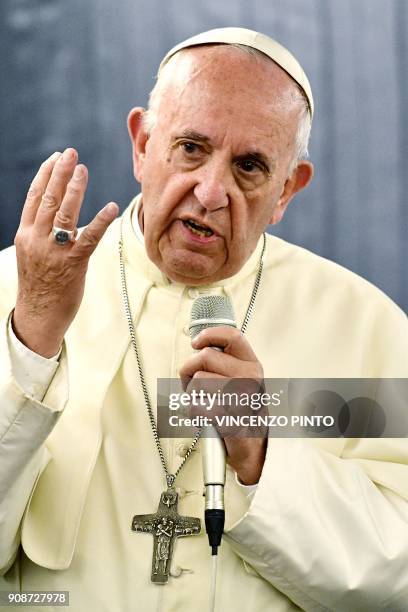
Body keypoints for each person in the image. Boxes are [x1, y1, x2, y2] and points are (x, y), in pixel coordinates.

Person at [0, 26, 407, 612]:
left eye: (249, 166)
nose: (212, 191)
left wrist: (262, 452)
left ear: (288, 189)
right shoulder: (19, 289)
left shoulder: (363, 327)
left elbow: (399, 573)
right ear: (142, 144)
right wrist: (31, 342)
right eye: (191, 148)